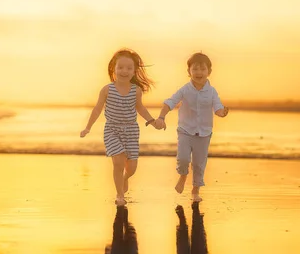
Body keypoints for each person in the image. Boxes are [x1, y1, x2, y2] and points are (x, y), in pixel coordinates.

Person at [80, 48, 161, 206]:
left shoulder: (136, 91)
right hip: (112, 130)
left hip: (131, 131)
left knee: (132, 167)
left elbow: (140, 108)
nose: (124, 71)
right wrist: (88, 127)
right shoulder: (107, 90)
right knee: (118, 161)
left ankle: (124, 178)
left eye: (129, 68)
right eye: (121, 67)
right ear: (114, 69)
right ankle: (119, 195)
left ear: (134, 71)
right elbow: (97, 109)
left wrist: (152, 121)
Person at [154, 52, 229, 202]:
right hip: (185, 131)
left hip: (204, 133)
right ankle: (183, 176)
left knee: (199, 164)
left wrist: (222, 113)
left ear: (209, 71)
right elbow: (170, 102)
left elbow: (218, 108)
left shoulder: (212, 92)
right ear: (189, 72)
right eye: (195, 69)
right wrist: (161, 117)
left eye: (202, 69)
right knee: (182, 158)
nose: (198, 73)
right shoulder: (184, 89)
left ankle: (195, 191)